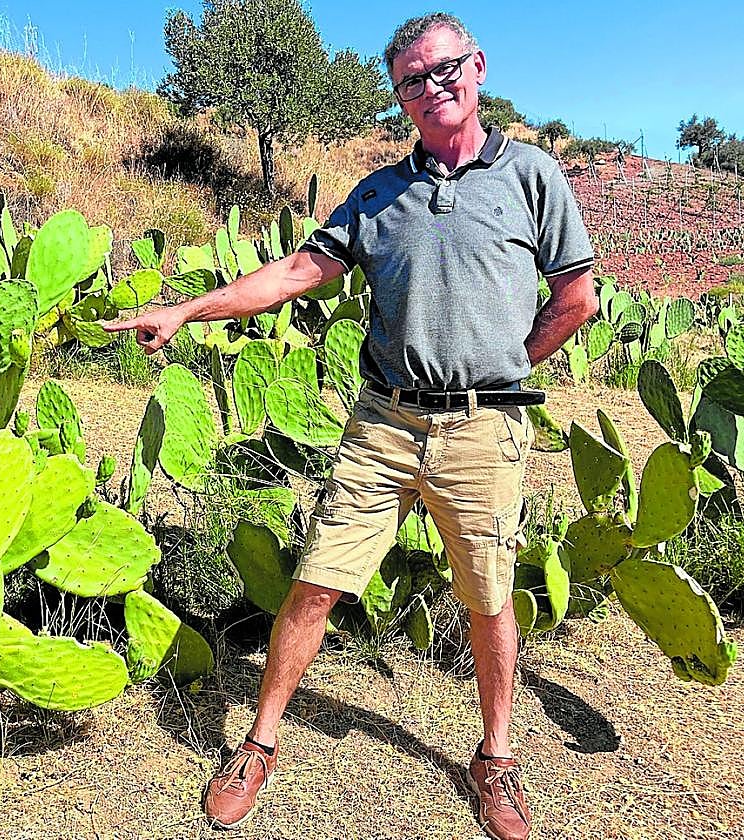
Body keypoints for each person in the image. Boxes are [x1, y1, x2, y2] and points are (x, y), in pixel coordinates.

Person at [105, 11, 597, 840]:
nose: (432, 87)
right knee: (316, 584)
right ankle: (259, 745)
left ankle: (495, 762)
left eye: (443, 69)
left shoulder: (534, 176)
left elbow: (576, 297)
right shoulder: (378, 194)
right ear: (399, 97)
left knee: (489, 601)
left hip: (485, 431)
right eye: (412, 80)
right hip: (384, 426)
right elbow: (299, 270)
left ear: (476, 67)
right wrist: (189, 308)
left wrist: (508, 369)